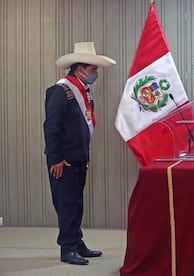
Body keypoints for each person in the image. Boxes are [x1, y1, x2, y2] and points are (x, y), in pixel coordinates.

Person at [43, 42, 116, 265]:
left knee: (76, 203)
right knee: (66, 204)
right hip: (62, 161)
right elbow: (52, 126)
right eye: (93, 70)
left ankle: (76, 241)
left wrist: (85, 155)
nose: (95, 74)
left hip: (78, 158)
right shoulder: (61, 90)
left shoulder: (84, 91)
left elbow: (83, 126)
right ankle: (67, 248)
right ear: (80, 68)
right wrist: (55, 157)